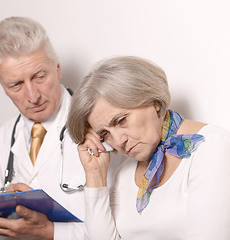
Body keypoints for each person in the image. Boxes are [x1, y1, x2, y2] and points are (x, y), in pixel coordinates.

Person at [0, 16, 122, 240]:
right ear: (3, 87)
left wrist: (51, 232)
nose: (32, 96)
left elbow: (124, 226)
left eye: (39, 77)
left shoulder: (100, 128)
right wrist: (4, 210)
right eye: (16, 85)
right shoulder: (4, 137)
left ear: (57, 69)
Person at [66, 56, 230, 240]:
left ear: (154, 102)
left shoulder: (212, 147)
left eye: (121, 120)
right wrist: (95, 175)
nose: (119, 141)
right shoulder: (124, 173)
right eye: (105, 134)